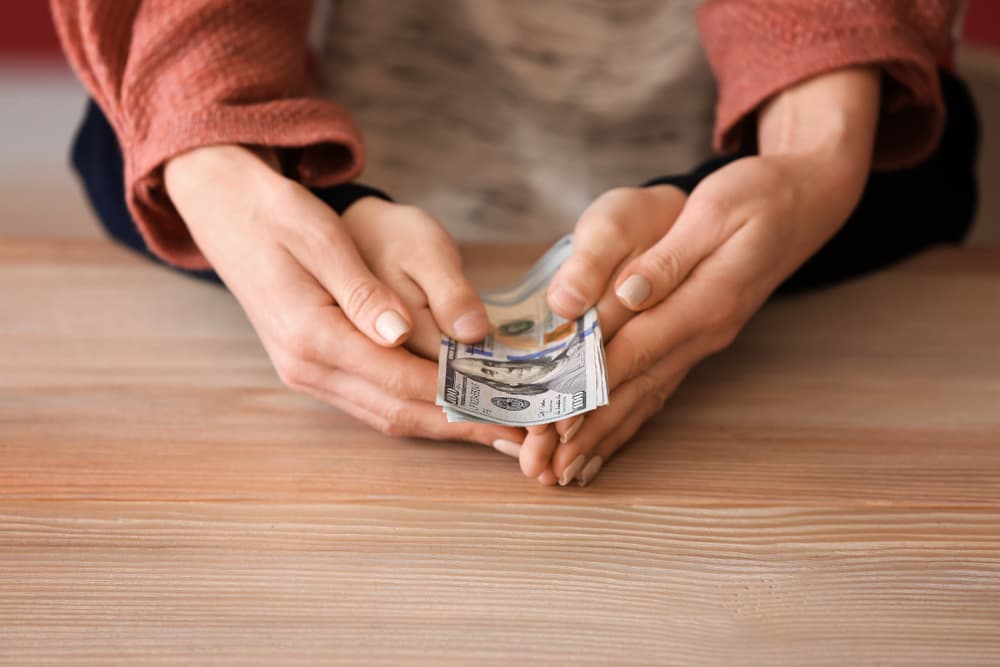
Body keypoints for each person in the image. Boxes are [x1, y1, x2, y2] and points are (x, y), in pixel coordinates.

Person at [52, 1, 978, 487]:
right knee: (125, 150)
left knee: (924, 147)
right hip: (335, 140)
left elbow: (841, 85)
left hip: (744, 138)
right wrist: (222, 168)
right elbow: (186, 58)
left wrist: (817, 154)